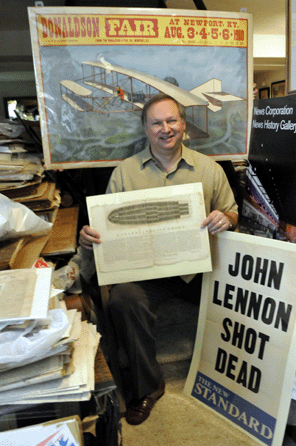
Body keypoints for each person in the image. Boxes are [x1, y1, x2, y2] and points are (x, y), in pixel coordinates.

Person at [79, 93, 238, 425]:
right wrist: (91, 238)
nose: (166, 129)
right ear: (146, 128)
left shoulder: (209, 169)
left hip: (201, 270)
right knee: (122, 299)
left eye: (172, 121)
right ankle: (148, 386)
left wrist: (227, 218)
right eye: (157, 123)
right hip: (147, 273)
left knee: (240, 296)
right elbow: (105, 226)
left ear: (183, 125)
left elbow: (233, 213)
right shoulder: (124, 174)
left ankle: (234, 378)